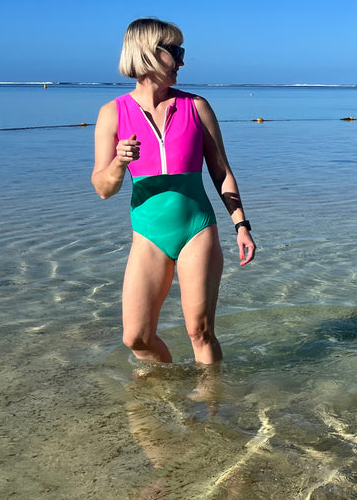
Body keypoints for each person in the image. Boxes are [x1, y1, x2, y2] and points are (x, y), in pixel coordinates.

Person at [92, 18, 256, 366]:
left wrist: (241, 225)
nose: (182, 61)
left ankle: (211, 409)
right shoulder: (113, 113)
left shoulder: (196, 106)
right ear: (150, 53)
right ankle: (164, 389)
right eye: (176, 52)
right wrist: (119, 163)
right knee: (136, 337)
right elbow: (104, 189)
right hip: (148, 236)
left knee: (200, 331)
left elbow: (221, 170)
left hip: (197, 229)